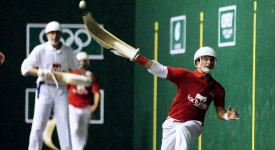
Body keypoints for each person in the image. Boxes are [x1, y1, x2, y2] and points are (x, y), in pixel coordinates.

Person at [113, 46, 240, 150]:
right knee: (178, 130)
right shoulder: (185, 76)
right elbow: (161, 70)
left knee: (183, 128)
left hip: (194, 125)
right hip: (171, 123)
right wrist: (139, 59)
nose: (209, 62)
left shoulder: (218, 89)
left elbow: (220, 112)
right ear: (197, 61)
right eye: (205, 59)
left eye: (212, 60)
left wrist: (227, 116)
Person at [21, 21, 93, 150]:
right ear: (47, 34)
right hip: (44, 89)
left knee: (64, 125)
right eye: (52, 33)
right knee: (38, 125)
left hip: (61, 90)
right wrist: (40, 72)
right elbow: (24, 68)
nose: (55, 36)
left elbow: (77, 66)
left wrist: (87, 73)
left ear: (61, 34)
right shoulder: (40, 49)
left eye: (57, 33)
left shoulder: (67, 50)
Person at [67, 52, 100, 150]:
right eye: (80, 61)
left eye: (84, 61)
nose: (82, 63)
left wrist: (95, 105)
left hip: (86, 107)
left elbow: (96, 92)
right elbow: (64, 90)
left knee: (83, 131)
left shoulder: (91, 77)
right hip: (72, 106)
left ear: (87, 62)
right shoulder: (71, 74)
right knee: (74, 129)